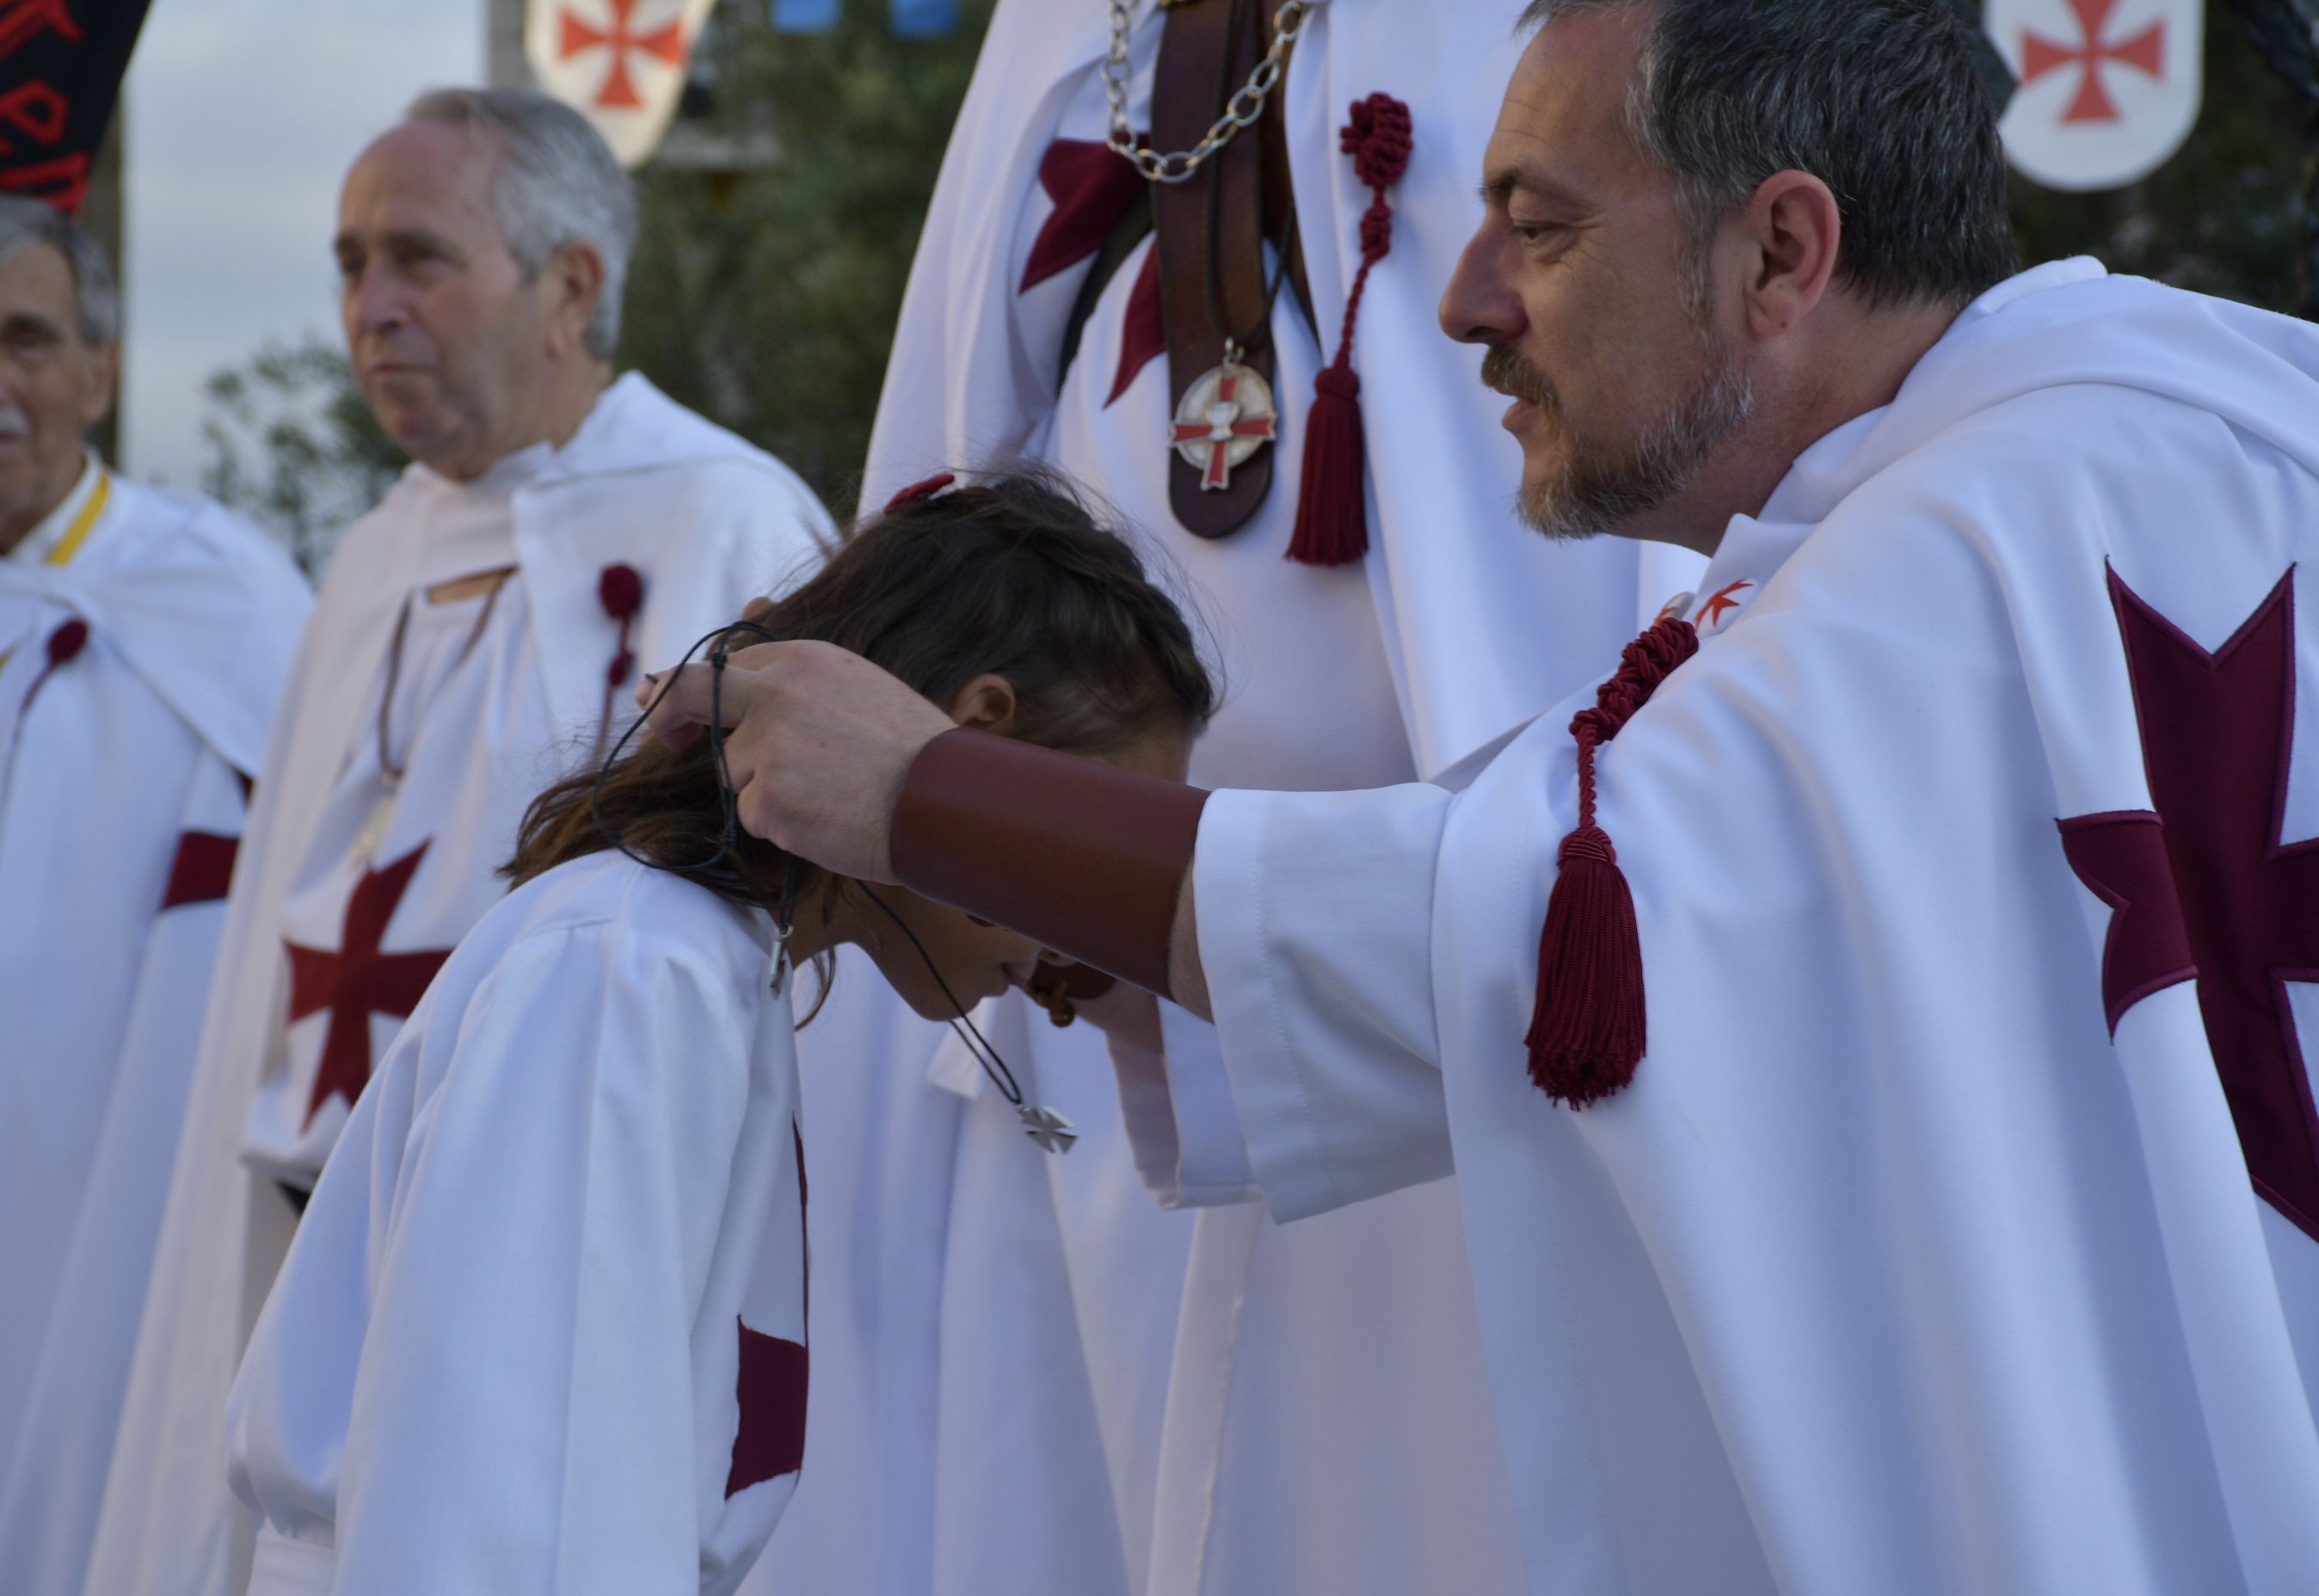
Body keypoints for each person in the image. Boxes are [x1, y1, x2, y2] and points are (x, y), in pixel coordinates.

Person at [644, 0, 2319, 1589]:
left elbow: (1542, 938)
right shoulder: (2178, 436)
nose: (1462, 303)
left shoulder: (1933, 577)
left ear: (1782, 253)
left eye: (1539, 225)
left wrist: (923, 792)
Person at [752, 4, 1701, 1593]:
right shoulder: (1067, 31)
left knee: (1436, 1491)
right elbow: (954, 443)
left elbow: (1600, 525)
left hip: (1431, 970)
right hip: (1074, 958)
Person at [87, 88, 829, 1596]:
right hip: (299, 1213)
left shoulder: (733, 527)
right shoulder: (375, 551)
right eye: (351, 264)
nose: (373, 309)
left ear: (571, 285)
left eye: (418, 259)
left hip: (544, 1244)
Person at [222, 473, 1215, 1596]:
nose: (1093, 940)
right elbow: (520, 1518)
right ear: (980, 739)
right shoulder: (638, 962)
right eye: (1096, 843)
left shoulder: (706, 965)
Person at [0, 190, 311, 1596]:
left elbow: (314, 901)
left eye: (25, 341)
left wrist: (7, 959)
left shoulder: (220, 597)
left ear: (100, 369)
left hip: (110, 1190)